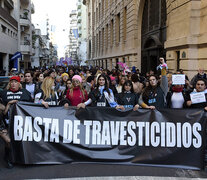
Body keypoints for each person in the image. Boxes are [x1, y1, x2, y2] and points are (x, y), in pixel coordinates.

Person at [0, 76, 32, 168]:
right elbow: (2, 111)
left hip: (21, 122)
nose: (13, 84)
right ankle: (9, 158)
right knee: (9, 141)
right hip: (6, 121)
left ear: (19, 84)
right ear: (9, 84)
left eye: (15, 82)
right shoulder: (4, 94)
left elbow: (32, 105)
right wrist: (9, 104)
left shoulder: (25, 93)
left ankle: (18, 157)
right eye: (12, 82)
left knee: (20, 141)